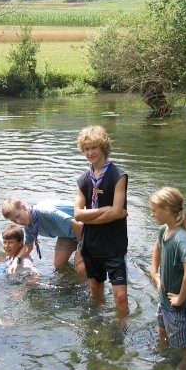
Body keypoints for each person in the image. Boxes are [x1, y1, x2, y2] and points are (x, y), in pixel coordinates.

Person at [74, 126, 129, 314]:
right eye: (86, 149)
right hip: (91, 244)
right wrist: (105, 209)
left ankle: (121, 329)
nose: (90, 153)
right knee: (95, 290)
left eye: (93, 148)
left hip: (114, 244)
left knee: (120, 296)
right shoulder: (83, 180)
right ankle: (96, 324)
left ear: (103, 147)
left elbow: (116, 213)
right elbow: (77, 214)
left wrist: (91, 216)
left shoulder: (118, 176)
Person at [149, 186, 186, 370]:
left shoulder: (181, 239)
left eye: (154, 210)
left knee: (181, 345)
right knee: (162, 329)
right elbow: (157, 249)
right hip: (164, 299)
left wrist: (180, 298)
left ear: (167, 209)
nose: (152, 214)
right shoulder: (164, 230)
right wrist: (155, 273)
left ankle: (184, 363)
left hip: (178, 306)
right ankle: (163, 346)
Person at [1, 198, 85, 275]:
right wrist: (16, 259)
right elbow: (28, 246)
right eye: (13, 220)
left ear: (23, 207)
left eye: (18, 216)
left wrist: (80, 250)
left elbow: (77, 224)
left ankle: (90, 286)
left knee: (80, 267)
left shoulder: (45, 212)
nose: (18, 221)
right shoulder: (28, 225)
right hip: (67, 234)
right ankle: (72, 284)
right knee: (59, 265)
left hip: (86, 228)